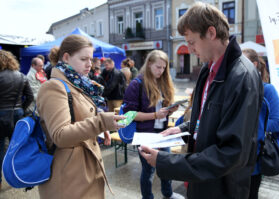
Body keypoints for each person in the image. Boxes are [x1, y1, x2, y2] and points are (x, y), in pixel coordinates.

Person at [139, 2, 263, 199]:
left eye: (191, 42)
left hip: (222, 189)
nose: (189, 49)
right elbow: (208, 118)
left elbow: (231, 152)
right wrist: (181, 129)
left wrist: (166, 163)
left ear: (211, 33)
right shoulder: (208, 69)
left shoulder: (242, 77)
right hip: (201, 182)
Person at [36, 35, 125, 199]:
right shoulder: (54, 87)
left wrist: (101, 127)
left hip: (83, 172)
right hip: (69, 178)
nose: (89, 64)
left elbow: (80, 116)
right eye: (84, 59)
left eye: (90, 59)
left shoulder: (78, 83)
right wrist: (100, 123)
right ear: (66, 57)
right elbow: (60, 135)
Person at [123, 50, 184, 199]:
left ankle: (168, 194)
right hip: (145, 134)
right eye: (158, 67)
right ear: (149, 64)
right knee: (148, 170)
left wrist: (169, 110)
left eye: (164, 68)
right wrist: (156, 115)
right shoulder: (136, 84)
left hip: (163, 132)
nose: (161, 71)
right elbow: (129, 115)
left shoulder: (163, 82)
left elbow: (162, 110)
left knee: (166, 166)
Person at [243, 48, 279, 199]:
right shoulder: (238, 88)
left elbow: (278, 123)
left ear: (253, 65)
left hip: (255, 158)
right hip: (235, 157)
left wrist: (250, 126)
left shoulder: (268, 90)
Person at [0, 50, 34, 190]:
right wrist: (22, 110)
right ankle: (23, 177)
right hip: (17, 114)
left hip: (1, 115)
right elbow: (30, 97)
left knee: (0, 148)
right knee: (19, 147)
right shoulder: (21, 76)